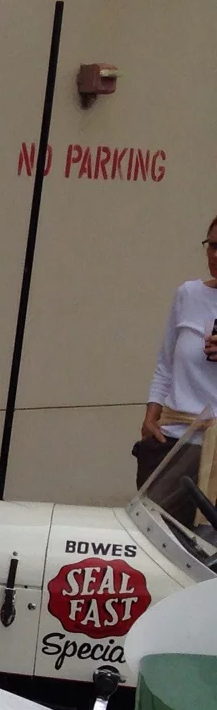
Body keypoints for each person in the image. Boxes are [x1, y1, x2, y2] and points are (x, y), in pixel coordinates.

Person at [136, 214, 217, 523]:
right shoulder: (188, 295)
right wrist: (150, 416)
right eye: (213, 246)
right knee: (155, 539)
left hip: (215, 452)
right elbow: (165, 364)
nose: (216, 255)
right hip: (175, 441)